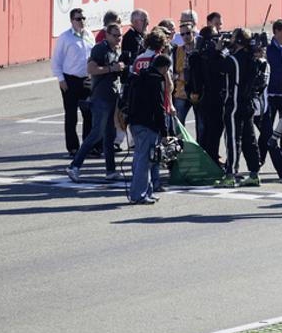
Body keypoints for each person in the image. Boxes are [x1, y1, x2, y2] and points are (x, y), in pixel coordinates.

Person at [66, 23, 125, 183]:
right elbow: (91, 69)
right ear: (107, 35)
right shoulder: (100, 49)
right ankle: (74, 166)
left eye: (120, 35)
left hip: (111, 97)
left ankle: (110, 170)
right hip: (101, 98)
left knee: (110, 135)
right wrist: (111, 69)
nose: (118, 38)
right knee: (97, 133)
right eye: (115, 35)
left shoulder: (115, 49)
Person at [124, 54, 172, 204]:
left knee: (140, 158)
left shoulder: (139, 77)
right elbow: (159, 108)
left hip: (134, 123)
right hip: (148, 125)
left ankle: (146, 191)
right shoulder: (156, 81)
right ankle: (138, 195)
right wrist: (164, 132)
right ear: (164, 68)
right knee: (145, 161)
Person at [217, 29, 262, 187]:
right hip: (248, 103)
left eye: (233, 38)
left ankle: (230, 174)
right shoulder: (253, 59)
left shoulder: (233, 60)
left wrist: (219, 50)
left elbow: (220, 67)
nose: (230, 40)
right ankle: (254, 173)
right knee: (250, 139)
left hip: (234, 104)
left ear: (239, 41)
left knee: (233, 139)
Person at [51, 7, 94, 156]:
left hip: (86, 79)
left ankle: (88, 145)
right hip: (70, 79)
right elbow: (56, 60)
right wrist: (61, 79)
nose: (81, 21)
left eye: (83, 18)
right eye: (78, 19)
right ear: (71, 20)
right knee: (71, 115)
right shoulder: (65, 37)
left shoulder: (89, 35)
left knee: (88, 114)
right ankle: (73, 147)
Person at [260, 18, 282, 179]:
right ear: (277, 32)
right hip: (270, 95)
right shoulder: (267, 49)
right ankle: (259, 159)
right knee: (266, 131)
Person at [188, 25, 225, 167]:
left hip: (202, 99)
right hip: (213, 98)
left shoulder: (196, 56)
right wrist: (218, 52)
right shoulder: (209, 57)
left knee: (206, 131)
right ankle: (211, 160)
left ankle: (207, 159)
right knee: (213, 131)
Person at [172, 23, 198, 135]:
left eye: (188, 33)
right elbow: (173, 72)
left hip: (197, 92)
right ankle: (180, 144)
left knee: (201, 125)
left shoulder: (199, 49)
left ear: (194, 33)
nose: (185, 36)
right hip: (181, 93)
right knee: (178, 124)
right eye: (182, 34)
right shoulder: (177, 51)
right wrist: (180, 76)